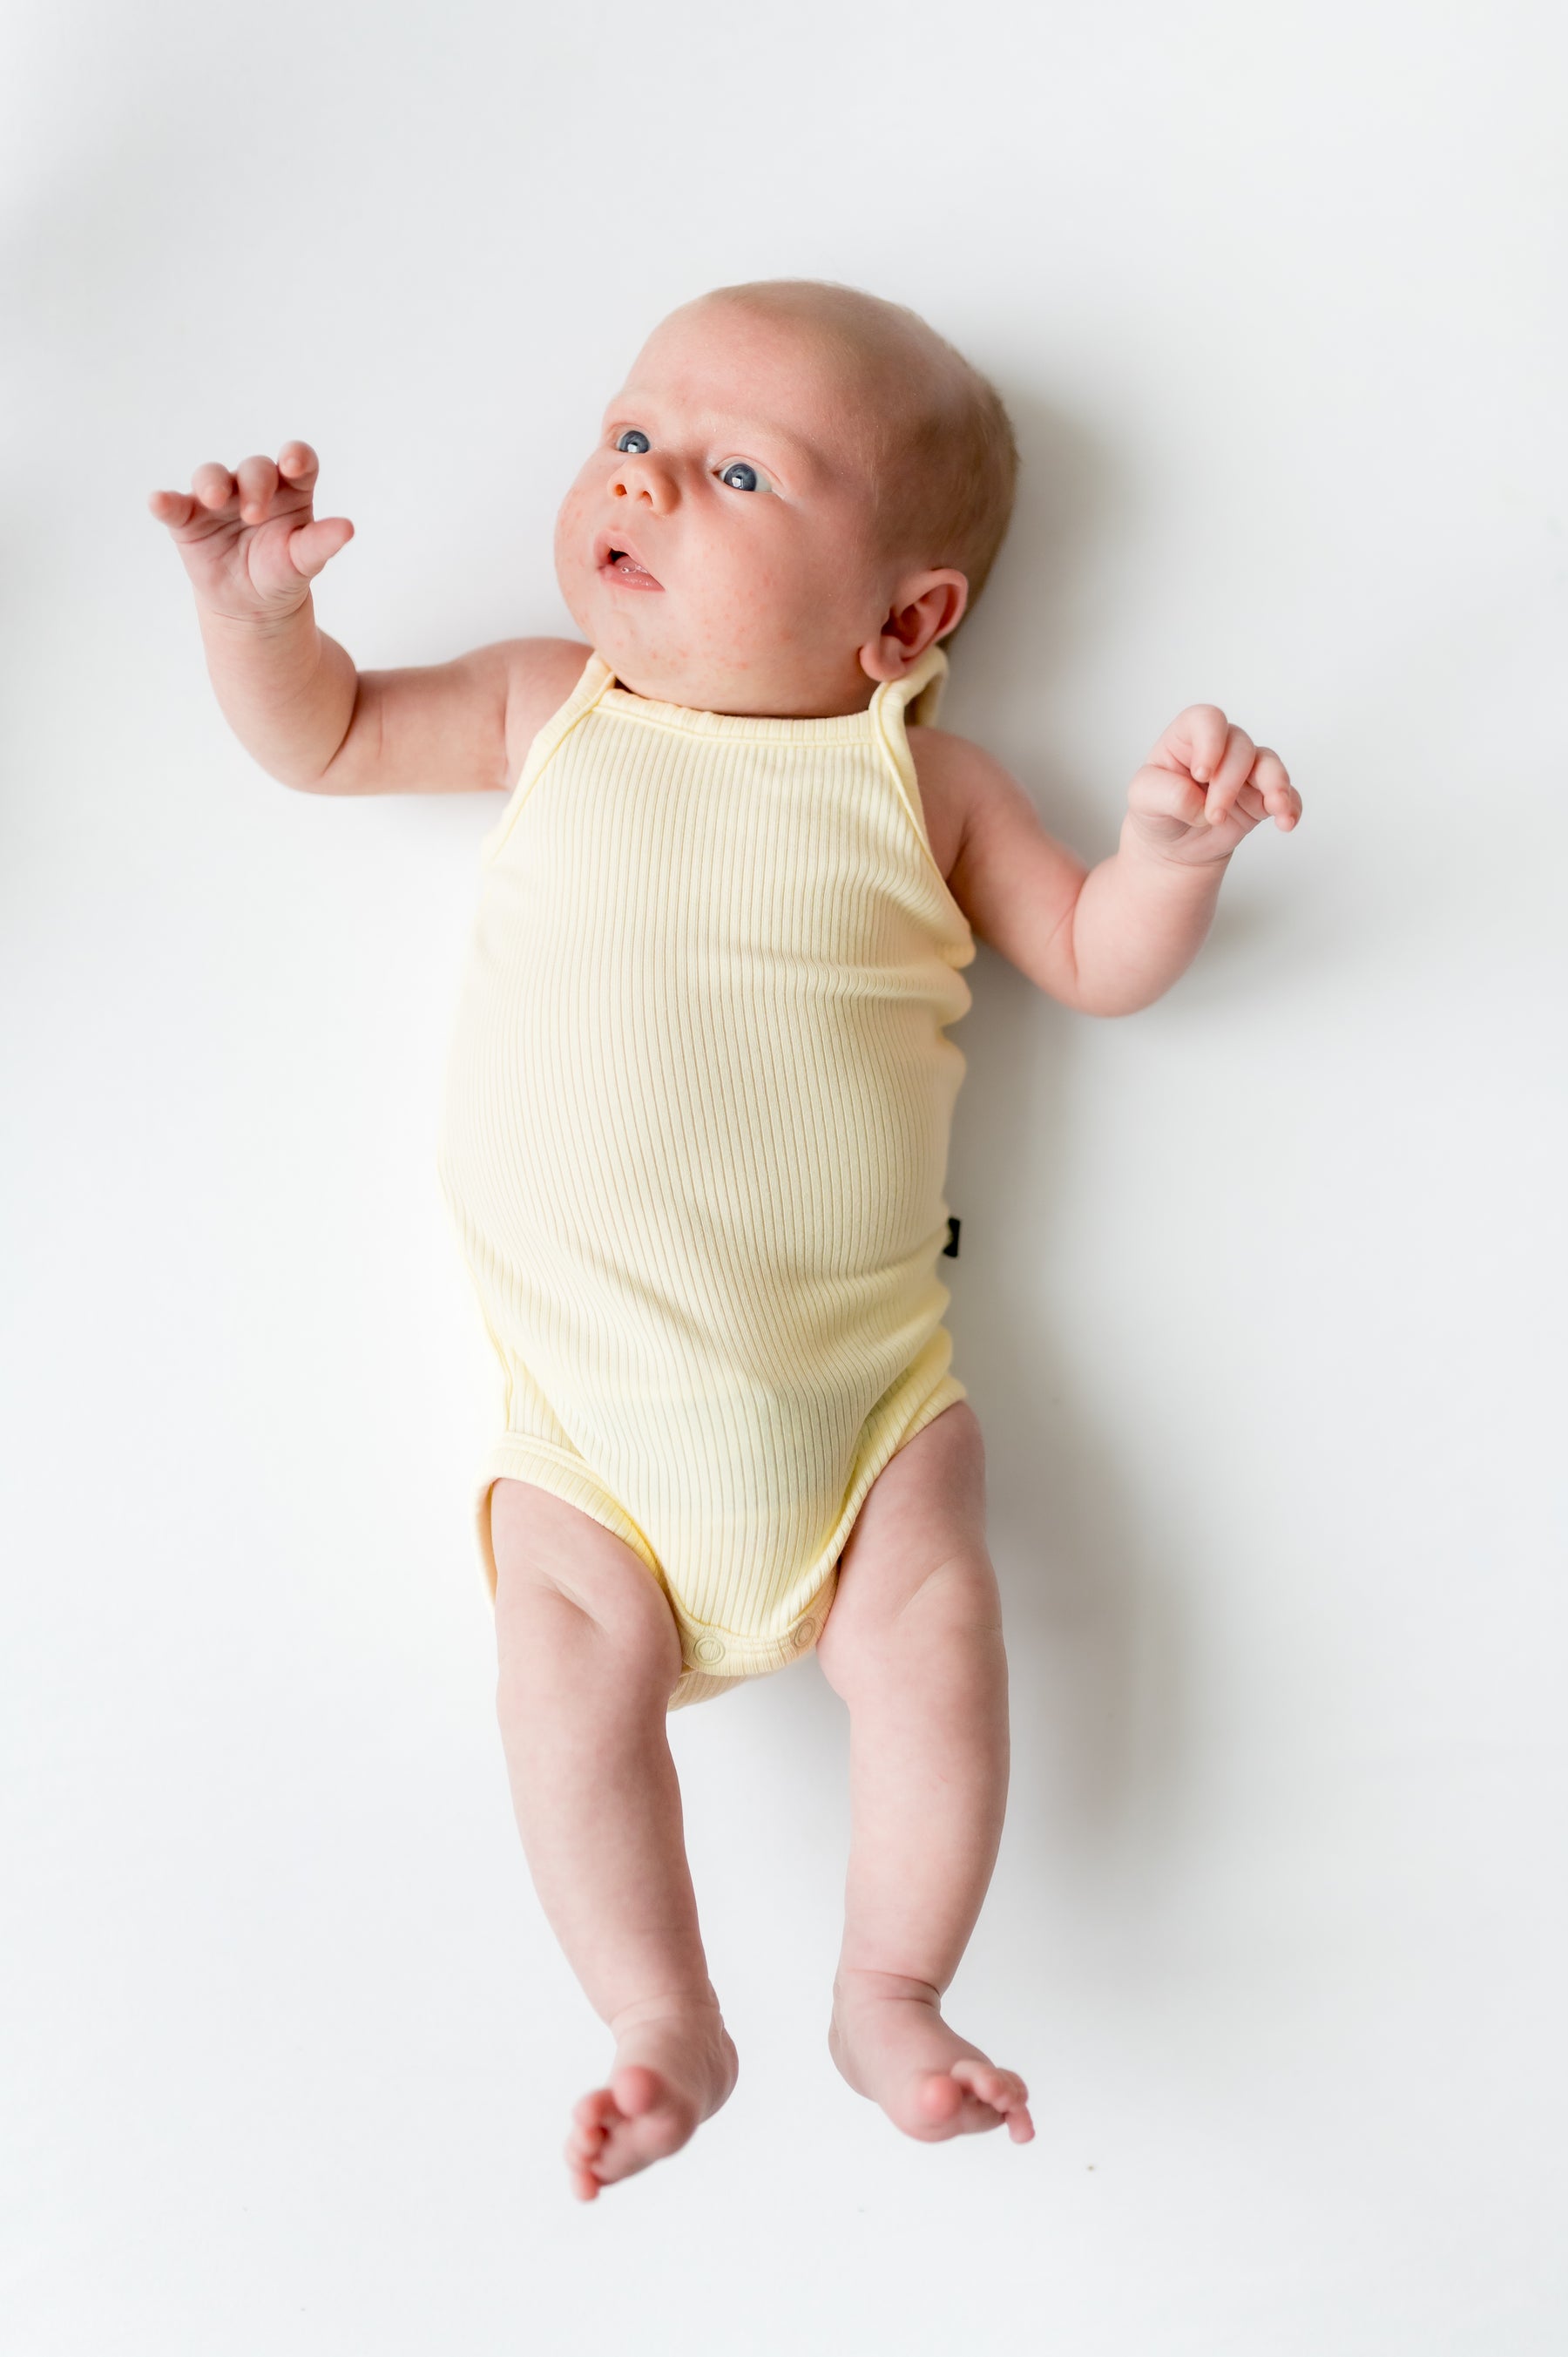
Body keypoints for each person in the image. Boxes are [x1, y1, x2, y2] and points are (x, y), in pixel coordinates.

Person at [148, 277, 1300, 2202]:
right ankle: (657, 2010)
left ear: (905, 622)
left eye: (736, 471)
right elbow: (328, 740)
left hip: (866, 1414)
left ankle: (891, 1987)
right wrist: (257, 621)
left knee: (937, 1639)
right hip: (587, 1439)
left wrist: (1169, 864)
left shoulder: (923, 784)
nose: (643, 479)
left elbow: (1095, 960)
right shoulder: (552, 706)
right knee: (558, 1684)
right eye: (630, 436)